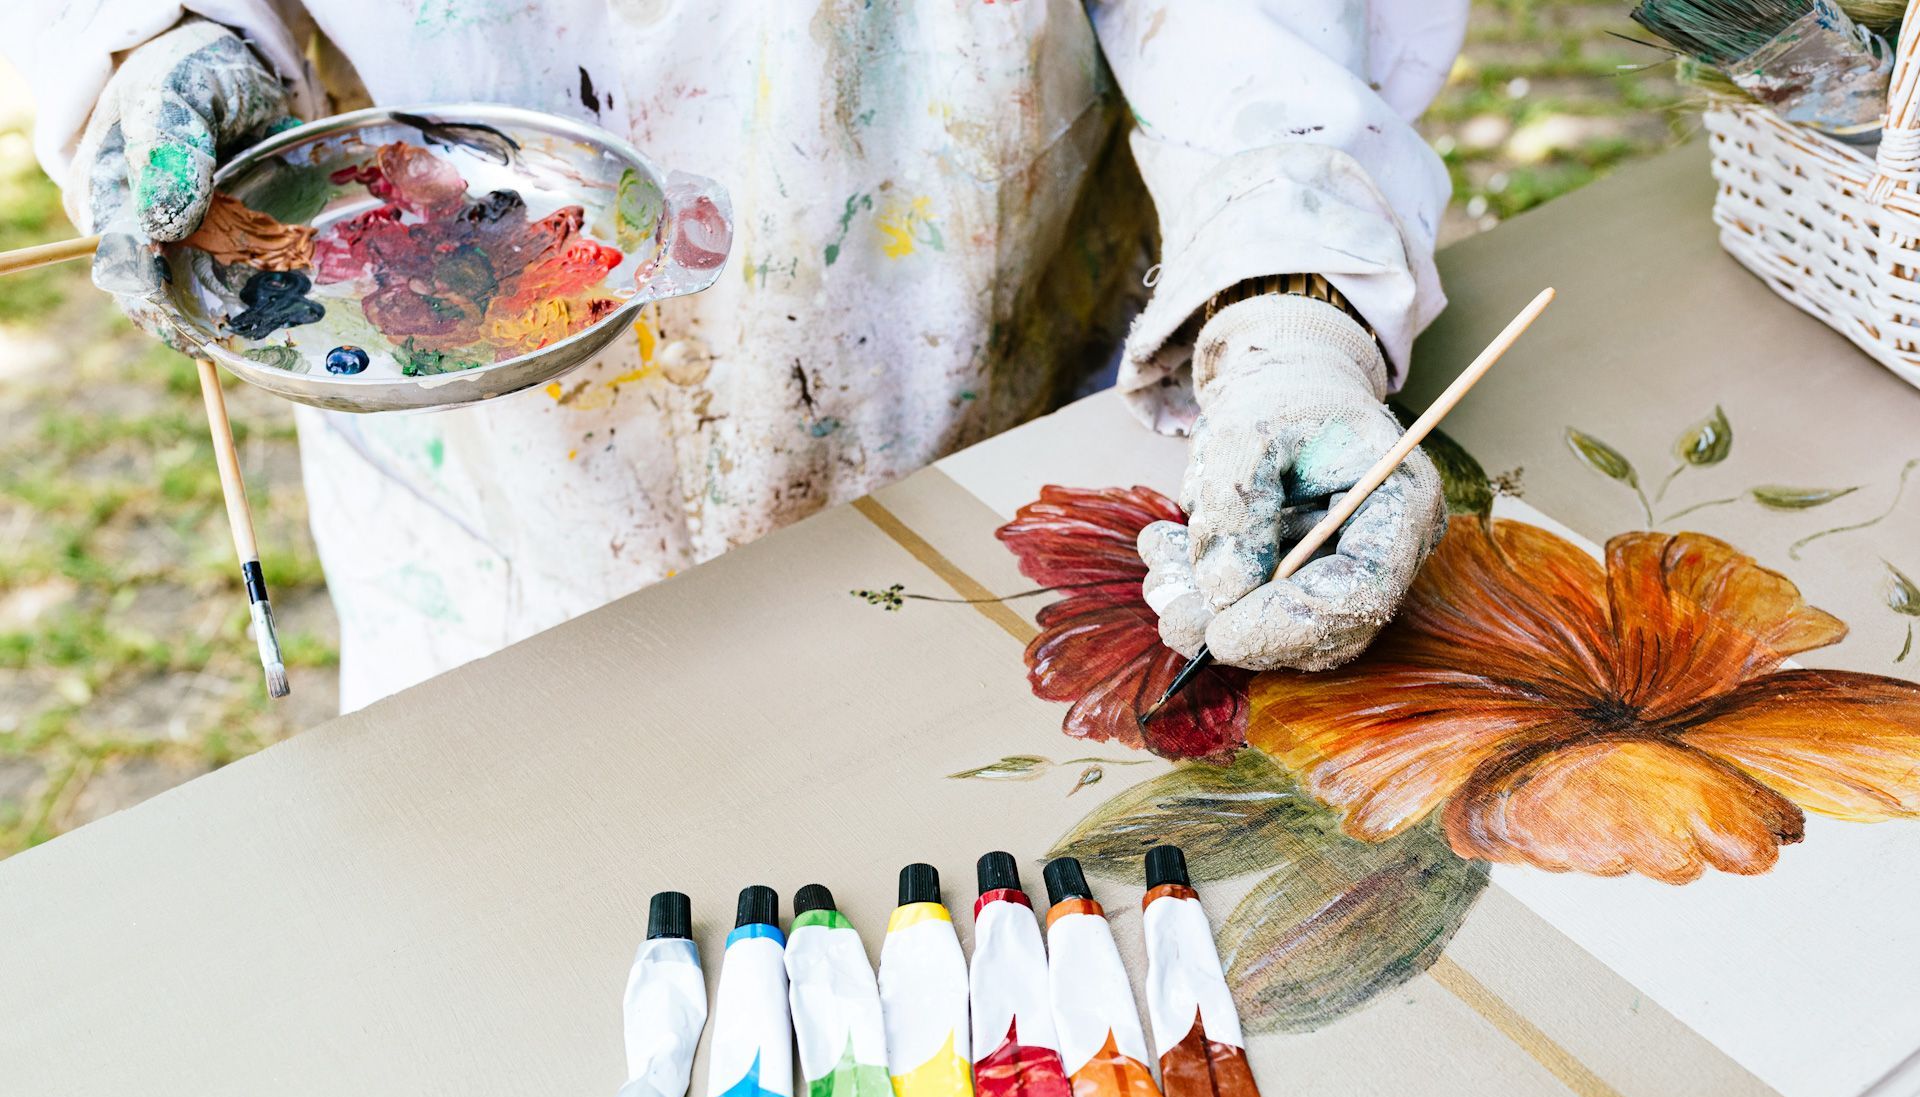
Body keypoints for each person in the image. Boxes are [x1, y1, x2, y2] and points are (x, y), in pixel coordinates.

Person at [8, 1, 1465, 711]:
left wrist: (1291, 302)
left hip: (997, 480)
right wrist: (152, 47)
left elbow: (1254, 31)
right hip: (502, 535)